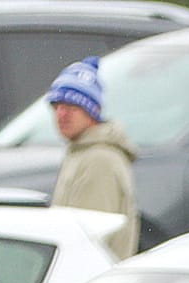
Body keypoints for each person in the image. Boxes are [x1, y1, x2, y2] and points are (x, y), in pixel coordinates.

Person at [48, 57, 139, 261]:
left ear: (93, 110)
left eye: (72, 107)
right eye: (57, 106)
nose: (62, 114)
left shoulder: (100, 161)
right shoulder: (81, 152)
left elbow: (89, 243)